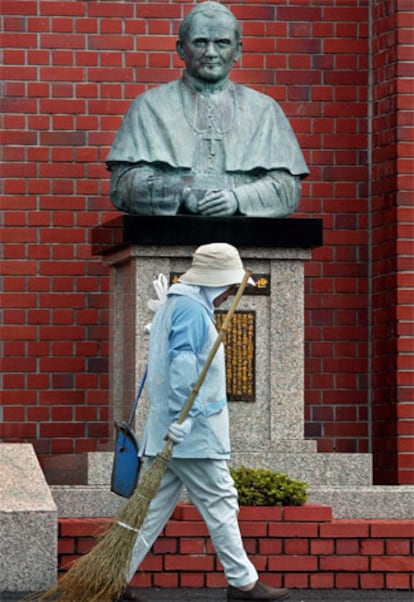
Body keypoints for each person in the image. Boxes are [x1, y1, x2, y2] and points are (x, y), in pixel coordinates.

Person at [120, 243, 290, 602]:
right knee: (221, 502)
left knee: (149, 512)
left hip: (169, 432)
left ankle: (112, 577)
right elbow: (184, 368)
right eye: (228, 285)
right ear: (219, 283)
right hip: (193, 435)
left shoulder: (177, 304)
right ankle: (243, 583)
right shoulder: (192, 310)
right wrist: (187, 415)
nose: (229, 292)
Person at [106, 1, 309, 218]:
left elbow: (287, 188)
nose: (210, 52)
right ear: (181, 49)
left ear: (237, 50)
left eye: (222, 43)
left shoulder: (264, 111)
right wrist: (181, 195)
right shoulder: (148, 107)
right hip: (170, 233)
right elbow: (123, 183)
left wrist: (237, 199)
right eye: (200, 42)